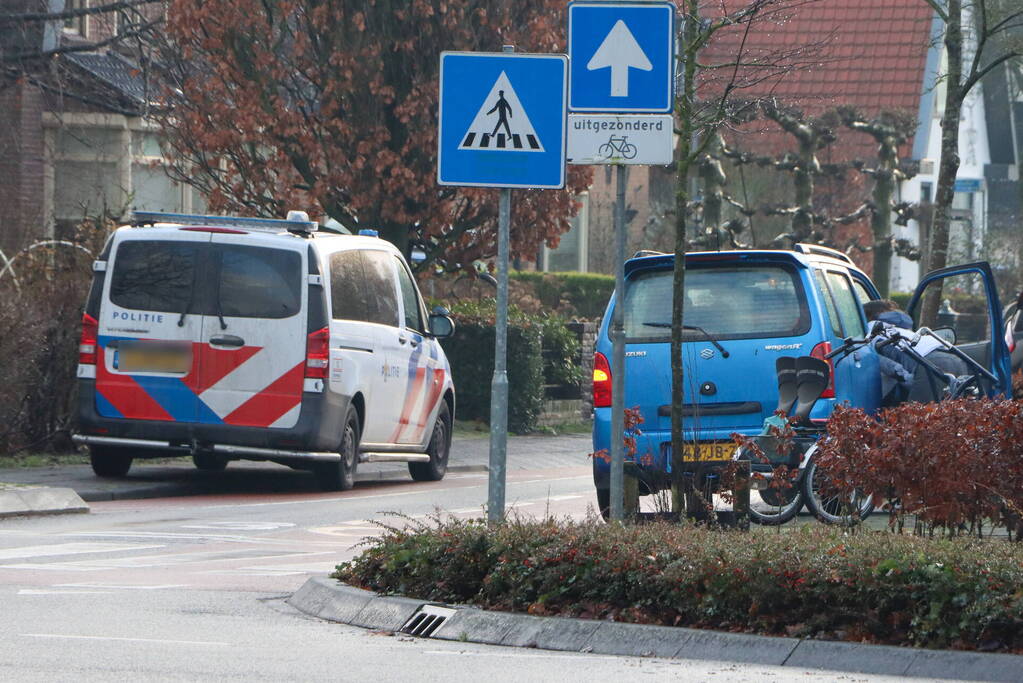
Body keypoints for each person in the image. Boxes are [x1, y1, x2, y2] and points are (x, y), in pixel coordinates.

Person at [863, 299, 965, 404]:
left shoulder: (873, 329)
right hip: (954, 358)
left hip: (931, 365)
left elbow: (892, 367)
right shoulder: (902, 328)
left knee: (917, 415)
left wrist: (909, 380)